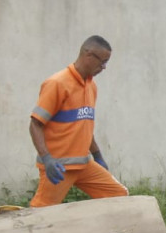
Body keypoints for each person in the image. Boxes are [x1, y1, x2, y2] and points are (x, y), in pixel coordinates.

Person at [28, 35, 128, 208]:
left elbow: (83, 127)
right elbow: (35, 125)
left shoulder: (91, 86)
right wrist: (47, 159)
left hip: (84, 164)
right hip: (59, 168)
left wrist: (97, 155)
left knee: (119, 195)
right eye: (102, 62)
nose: (104, 67)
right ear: (88, 55)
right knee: (41, 213)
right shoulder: (57, 84)